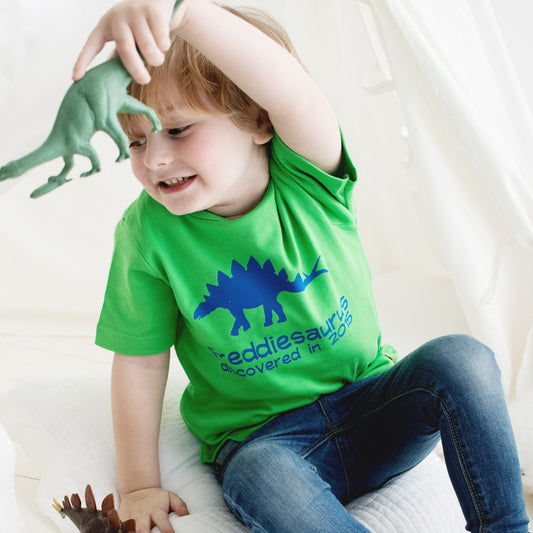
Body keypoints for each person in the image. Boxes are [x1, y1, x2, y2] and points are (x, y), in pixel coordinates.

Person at [74, 1, 530, 532]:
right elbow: (140, 362)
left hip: (373, 402)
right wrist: (139, 486)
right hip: (267, 443)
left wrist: (185, 11)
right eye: (136, 140)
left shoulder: (309, 173)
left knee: (463, 358)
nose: (152, 159)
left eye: (176, 130)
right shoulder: (147, 234)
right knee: (259, 474)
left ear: (257, 120)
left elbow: (291, 89)